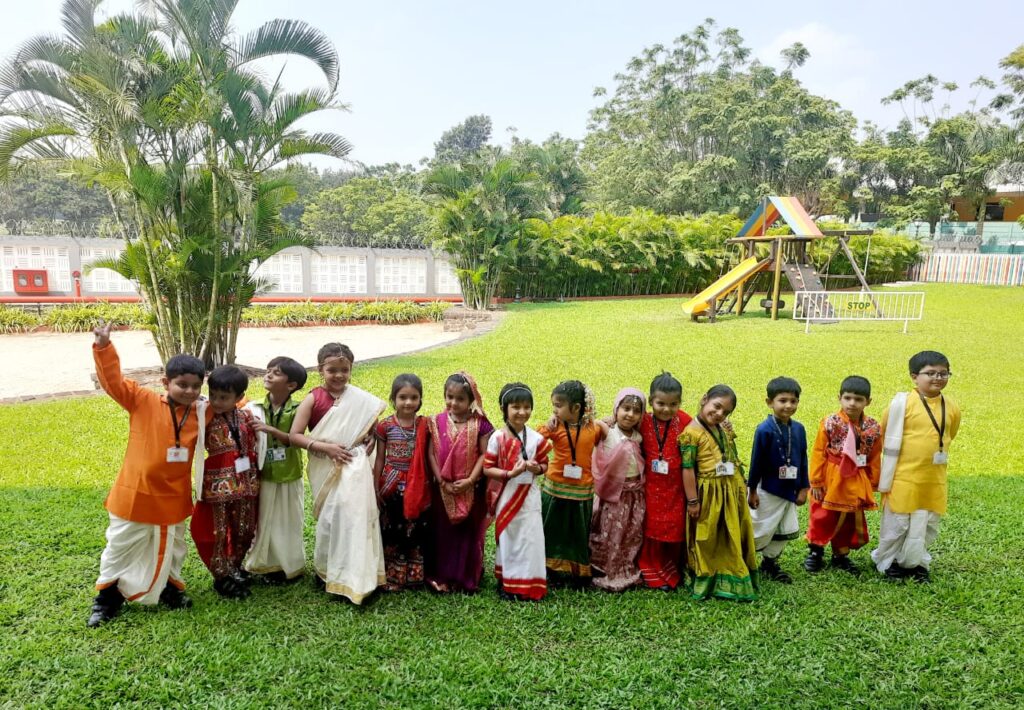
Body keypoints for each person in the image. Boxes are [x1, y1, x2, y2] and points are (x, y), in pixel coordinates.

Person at [87, 322, 208, 627]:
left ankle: (170, 588)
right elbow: (113, 382)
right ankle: (107, 598)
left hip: (174, 497)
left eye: (196, 386)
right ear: (165, 382)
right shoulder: (142, 400)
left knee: (173, 548)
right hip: (135, 494)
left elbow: (232, 403)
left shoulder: (203, 411)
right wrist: (103, 347)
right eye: (182, 384)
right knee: (119, 546)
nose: (190, 391)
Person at [289, 343, 386, 604]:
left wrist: (372, 441)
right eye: (332, 370)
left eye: (344, 370)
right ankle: (328, 572)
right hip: (326, 465)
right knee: (331, 519)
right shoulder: (313, 398)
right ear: (321, 369)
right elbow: (295, 436)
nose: (339, 375)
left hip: (355, 467)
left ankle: (358, 574)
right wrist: (327, 448)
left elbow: (371, 428)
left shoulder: (360, 398)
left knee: (356, 518)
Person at [872, 351, 961, 583]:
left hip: (933, 477)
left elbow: (950, 434)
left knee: (926, 522)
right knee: (897, 523)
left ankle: (916, 562)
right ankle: (889, 561)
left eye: (943, 373)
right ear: (914, 376)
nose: (937, 378)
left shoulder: (951, 406)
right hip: (903, 476)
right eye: (930, 373)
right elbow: (884, 433)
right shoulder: (901, 404)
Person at [680, 385, 758, 601]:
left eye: (726, 412)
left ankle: (732, 568)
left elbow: (732, 455)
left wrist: (743, 483)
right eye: (717, 406)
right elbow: (687, 469)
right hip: (709, 493)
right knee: (708, 535)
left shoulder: (722, 428)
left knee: (730, 531)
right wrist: (693, 500)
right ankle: (708, 576)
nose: (720, 414)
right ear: (704, 399)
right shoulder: (690, 433)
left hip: (730, 491)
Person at [190, 365, 260, 598]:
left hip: (246, 484)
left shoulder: (247, 415)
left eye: (224, 397)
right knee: (217, 531)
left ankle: (235, 567)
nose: (217, 402)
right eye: (214, 396)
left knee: (245, 528)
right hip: (217, 485)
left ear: (238, 397)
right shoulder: (204, 414)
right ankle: (221, 576)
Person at [424, 372, 494, 594]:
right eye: (449, 396)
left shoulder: (480, 424)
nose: (453, 403)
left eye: (460, 399)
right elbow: (432, 454)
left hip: (470, 487)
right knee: (442, 533)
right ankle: (441, 577)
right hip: (443, 489)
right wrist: (441, 480)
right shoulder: (436, 422)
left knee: (467, 534)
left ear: (471, 399)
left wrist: (471, 480)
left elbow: (485, 454)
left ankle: (465, 577)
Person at [804, 375, 882, 575]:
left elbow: (874, 455)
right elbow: (818, 452)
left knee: (849, 517)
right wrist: (816, 481)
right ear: (839, 397)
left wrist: (873, 481)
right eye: (847, 398)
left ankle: (841, 555)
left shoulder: (873, 427)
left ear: (868, 401)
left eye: (858, 399)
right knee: (822, 515)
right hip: (830, 476)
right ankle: (815, 552)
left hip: (857, 477)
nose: (852, 403)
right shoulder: (830, 422)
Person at [483, 383, 552, 601]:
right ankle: (508, 583)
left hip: (530, 496)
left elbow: (545, 465)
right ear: (505, 409)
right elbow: (487, 468)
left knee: (530, 538)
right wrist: (509, 473)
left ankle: (530, 584)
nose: (522, 412)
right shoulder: (497, 438)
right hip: (508, 493)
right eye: (516, 407)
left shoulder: (537, 439)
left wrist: (535, 468)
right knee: (509, 537)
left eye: (526, 407)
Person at [537, 380, 608, 587]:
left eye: (558, 406)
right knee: (552, 530)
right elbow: (535, 439)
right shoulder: (554, 426)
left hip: (582, 491)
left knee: (578, 533)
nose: (555, 410)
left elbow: (608, 433)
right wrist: (549, 422)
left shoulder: (592, 428)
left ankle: (578, 570)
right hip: (554, 490)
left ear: (576, 408)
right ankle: (551, 569)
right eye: (553, 406)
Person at [244, 357, 308, 583]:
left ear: (291, 385)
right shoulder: (253, 408)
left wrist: (271, 430)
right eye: (268, 370)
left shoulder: (299, 409)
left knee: (289, 520)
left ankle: (289, 566)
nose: (268, 375)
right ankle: (263, 565)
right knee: (264, 520)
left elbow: (297, 439)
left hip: (289, 473)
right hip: (263, 474)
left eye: (276, 373)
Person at [747, 377, 810, 584]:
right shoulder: (764, 429)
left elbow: (803, 459)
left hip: (790, 490)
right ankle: (744, 562)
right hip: (768, 489)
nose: (788, 405)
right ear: (769, 402)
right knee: (760, 528)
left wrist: (803, 487)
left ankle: (770, 563)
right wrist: (752, 490)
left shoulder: (799, 429)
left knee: (782, 529)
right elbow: (756, 462)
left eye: (793, 401)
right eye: (782, 400)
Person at [637, 372, 693, 590]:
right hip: (650, 485)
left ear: (679, 403)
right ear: (651, 402)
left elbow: (703, 430)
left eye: (673, 404)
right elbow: (619, 425)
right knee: (652, 527)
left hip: (676, 487)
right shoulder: (643, 420)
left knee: (675, 526)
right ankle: (652, 570)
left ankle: (672, 568)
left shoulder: (686, 421)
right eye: (661, 403)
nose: (667, 409)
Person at [373, 373, 429, 591]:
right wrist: (376, 486)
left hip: (418, 485)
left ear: (420, 400)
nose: (408, 402)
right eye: (402, 397)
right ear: (393, 399)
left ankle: (414, 576)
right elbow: (379, 458)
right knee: (392, 529)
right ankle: (392, 577)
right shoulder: (385, 426)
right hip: (391, 484)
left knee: (414, 529)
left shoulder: (425, 425)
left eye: (414, 397)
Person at [590, 387, 646, 592]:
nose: (630, 414)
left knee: (630, 533)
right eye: (626, 408)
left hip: (634, 495)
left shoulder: (639, 437)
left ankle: (625, 567)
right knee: (608, 532)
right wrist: (602, 421)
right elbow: (587, 426)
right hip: (613, 496)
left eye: (636, 410)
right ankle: (605, 569)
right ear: (616, 409)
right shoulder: (607, 430)